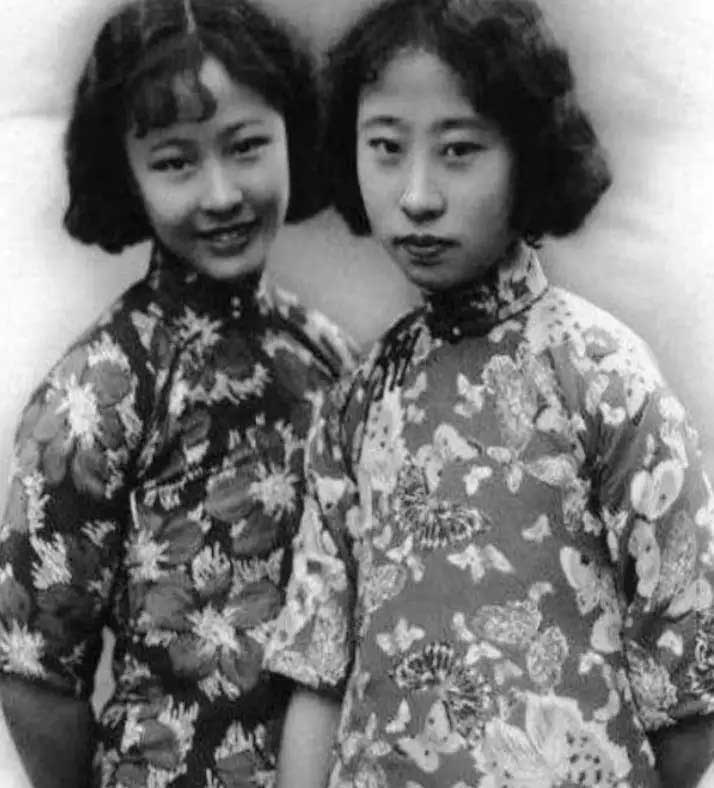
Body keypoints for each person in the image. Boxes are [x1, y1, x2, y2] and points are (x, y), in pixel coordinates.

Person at [263, 0, 714, 786]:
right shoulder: (358, 402)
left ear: (529, 156)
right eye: (386, 148)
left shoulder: (605, 378)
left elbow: (692, 690)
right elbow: (317, 672)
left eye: (459, 151)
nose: (417, 195)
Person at [0, 0, 357, 785]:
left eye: (247, 146)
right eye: (175, 163)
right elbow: (35, 674)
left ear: (293, 135)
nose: (222, 194)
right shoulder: (100, 389)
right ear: (125, 175)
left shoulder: (327, 354)